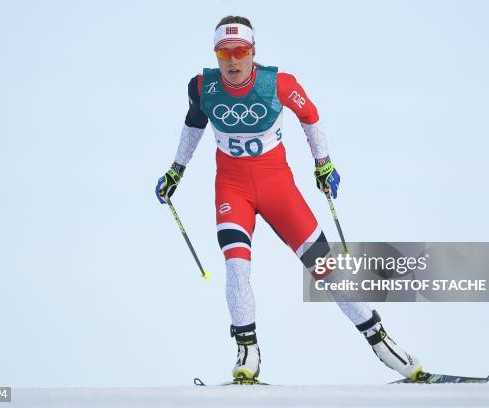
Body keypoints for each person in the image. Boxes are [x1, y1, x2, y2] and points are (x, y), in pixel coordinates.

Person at [156, 15, 423, 383]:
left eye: (240, 51)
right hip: (232, 189)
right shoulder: (202, 86)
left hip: (278, 190)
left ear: (253, 52)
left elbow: (310, 116)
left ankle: (383, 344)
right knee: (236, 268)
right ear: (216, 55)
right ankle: (247, 353)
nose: (233, 61)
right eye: (224, 52)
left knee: (326, 269)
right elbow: (194, 124)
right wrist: (175, 171)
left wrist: (324, 163)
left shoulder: (277, 84)